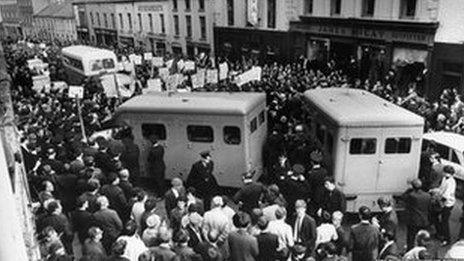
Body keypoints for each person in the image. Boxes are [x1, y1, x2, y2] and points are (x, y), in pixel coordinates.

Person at [402, 178, 431, 250]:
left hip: (413, 221)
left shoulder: (411, 196)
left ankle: (410, 250)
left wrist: (409, 190)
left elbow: (403, 197)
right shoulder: (427, 195)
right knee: (421, 237)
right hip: (424, 220)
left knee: (411, 238)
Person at [431, 165, 456, 246]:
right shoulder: (445, 179)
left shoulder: (451, 182)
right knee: (434, 216)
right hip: (442, 201)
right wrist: (435, 191)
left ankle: (447, 239)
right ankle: (439, 232)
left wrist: (440, 204)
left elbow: (446, 196)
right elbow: (441, 189)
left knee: (444, 221)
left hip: (447, 204)